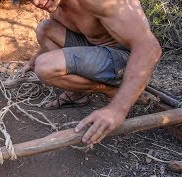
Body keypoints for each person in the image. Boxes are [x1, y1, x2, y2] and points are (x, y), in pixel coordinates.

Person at [22, 0, 162, 144]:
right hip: (97, 49)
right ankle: (78, 94)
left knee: (45, 67)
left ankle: (111, 91)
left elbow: (149, 48)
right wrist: (32, 60)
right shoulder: (55, 6)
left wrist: (118, 109)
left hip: (128, 60)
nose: (37, 2)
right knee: (45, 29)